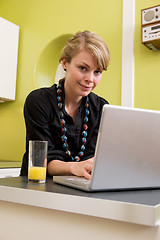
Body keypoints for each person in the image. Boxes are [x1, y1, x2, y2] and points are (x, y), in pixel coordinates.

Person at [20, 30, 110, 180]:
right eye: (83, 68)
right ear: (64, 63)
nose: (90, 79)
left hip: (80, 186)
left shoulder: (101, 108)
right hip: (38, 186)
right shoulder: (38, 101)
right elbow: (41, 160)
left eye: (97, 72)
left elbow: (91, 158)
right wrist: (74, 167)